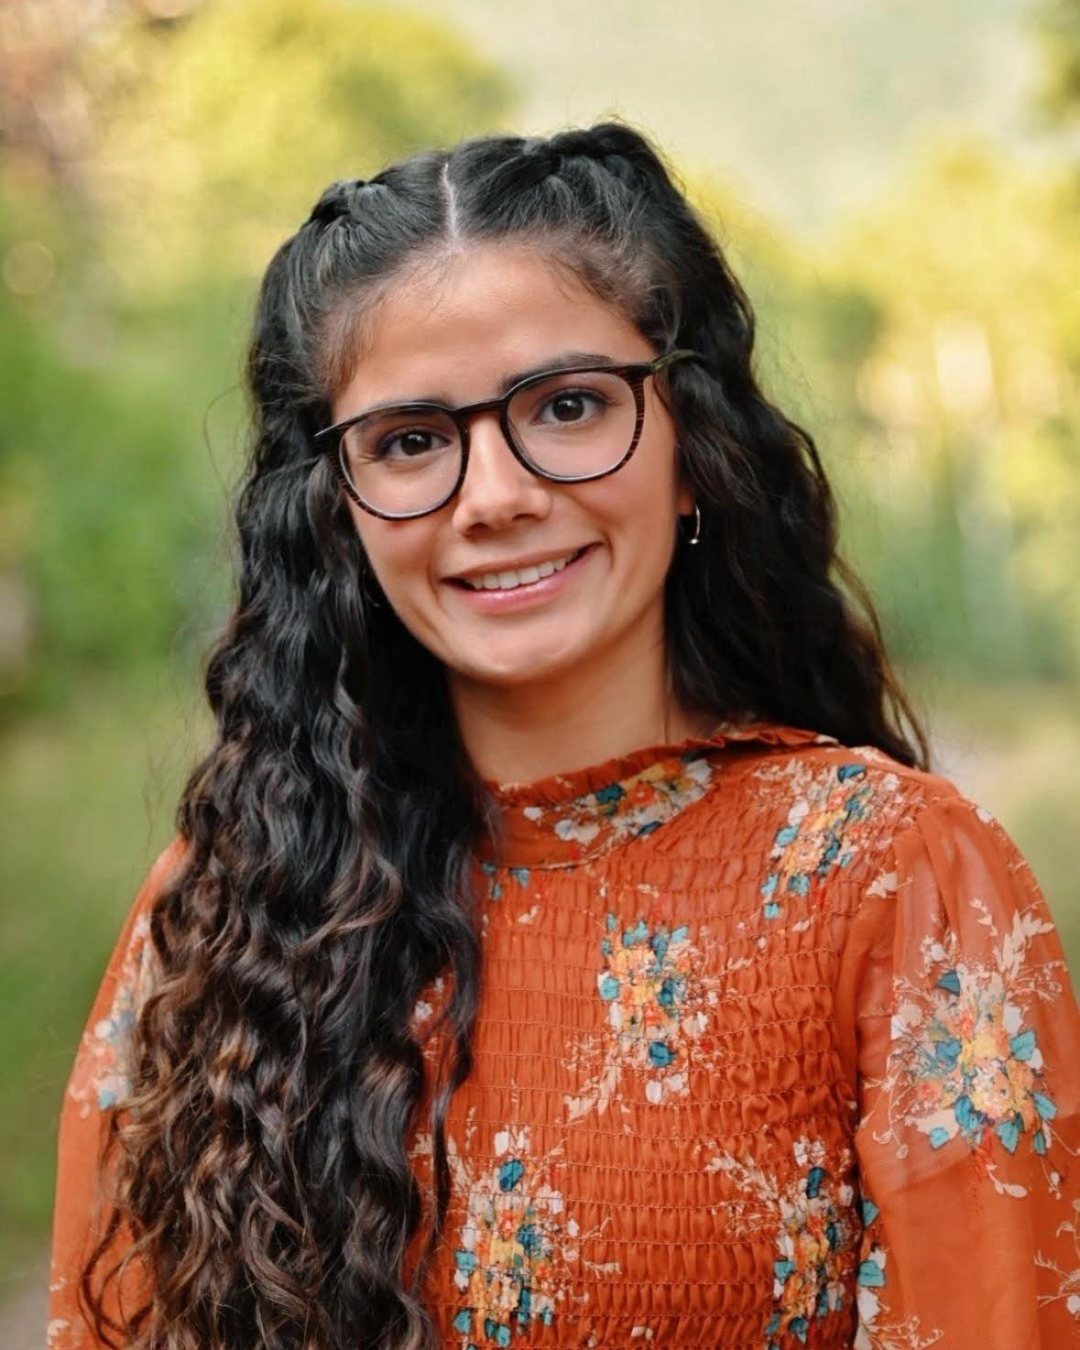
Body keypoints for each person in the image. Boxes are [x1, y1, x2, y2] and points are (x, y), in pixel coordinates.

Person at [48, 122, 1079, 1350]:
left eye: (570, 405)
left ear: (692, 445)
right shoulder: (228, 908)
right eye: (413, 440)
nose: (495, 497)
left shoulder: (891, 879)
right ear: (339, 513)